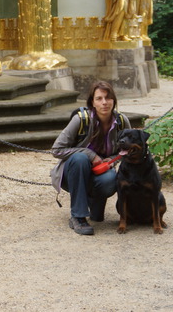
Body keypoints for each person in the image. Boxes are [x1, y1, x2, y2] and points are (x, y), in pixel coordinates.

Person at [50, 80, 131, 235]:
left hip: (100, 173)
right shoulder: (81, 120)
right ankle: (78, 216)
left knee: (110, 179)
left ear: (114, 100)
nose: (104, 102)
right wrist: (90, 154)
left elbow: (127, 150)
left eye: (108, 98)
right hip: (72, 173)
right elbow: (56, 150)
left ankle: (94, 202)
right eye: (99, 98)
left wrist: (112, 159)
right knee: (80, 159)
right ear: (92, 102)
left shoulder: (121, 121)